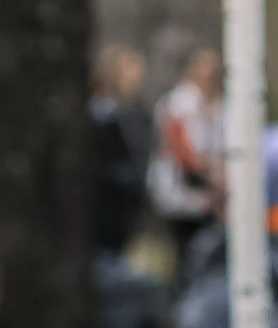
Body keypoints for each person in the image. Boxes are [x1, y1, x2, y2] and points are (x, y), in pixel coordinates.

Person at [149, 49, 223, 270]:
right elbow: (184, 151)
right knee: (189, 253)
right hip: (185, 192)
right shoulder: (183, 101)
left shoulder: (211, 102)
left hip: (201, 194)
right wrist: (214, 176)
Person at [90, 45, 153, 259]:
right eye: (130, 69)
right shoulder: (101, 112)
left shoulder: (135, 110)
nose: (136, 77)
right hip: (104, 205)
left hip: (125, 205)